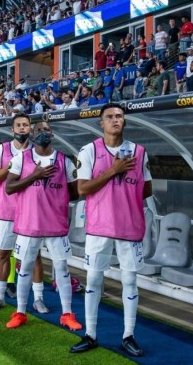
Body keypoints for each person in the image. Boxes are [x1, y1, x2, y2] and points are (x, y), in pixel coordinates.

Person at [70, 103, 153, 357]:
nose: (115, 120)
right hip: (99, 226)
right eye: (110, 117)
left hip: (130, 226)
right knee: (94, 278)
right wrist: (113, 171)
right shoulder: (89, 151)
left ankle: (128, 336)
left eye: (119, 116)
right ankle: (91, 334)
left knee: (130, 280)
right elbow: (82, 189)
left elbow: (147, 189)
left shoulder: (139, 152)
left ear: (124, 122)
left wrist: (124, 193)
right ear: (101, 124)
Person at [5, 121, 81, 330]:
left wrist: (56, 200)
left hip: (55, 225)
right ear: (32, 134)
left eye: (46, 129)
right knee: (25, 268)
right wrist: (35, 176)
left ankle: (67, 314)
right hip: (29, 224)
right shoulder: (22, 158)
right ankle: (20, 312)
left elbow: (75, 191)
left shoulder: (64, 161)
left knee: (62, 269)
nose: (42, 133)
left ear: (52, 134)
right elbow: (9, 187)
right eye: (38, 129)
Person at [0, 114, 46, 311]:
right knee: (3, 253)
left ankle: (38, 298)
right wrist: (13, 165)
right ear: (12, 129)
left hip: (30, 211)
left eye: (25, 125)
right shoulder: (0, 150)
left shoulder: (38, 151)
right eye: (18, 125)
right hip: (5, 210)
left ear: (30, 129)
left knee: (34, 255)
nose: (22, 128)